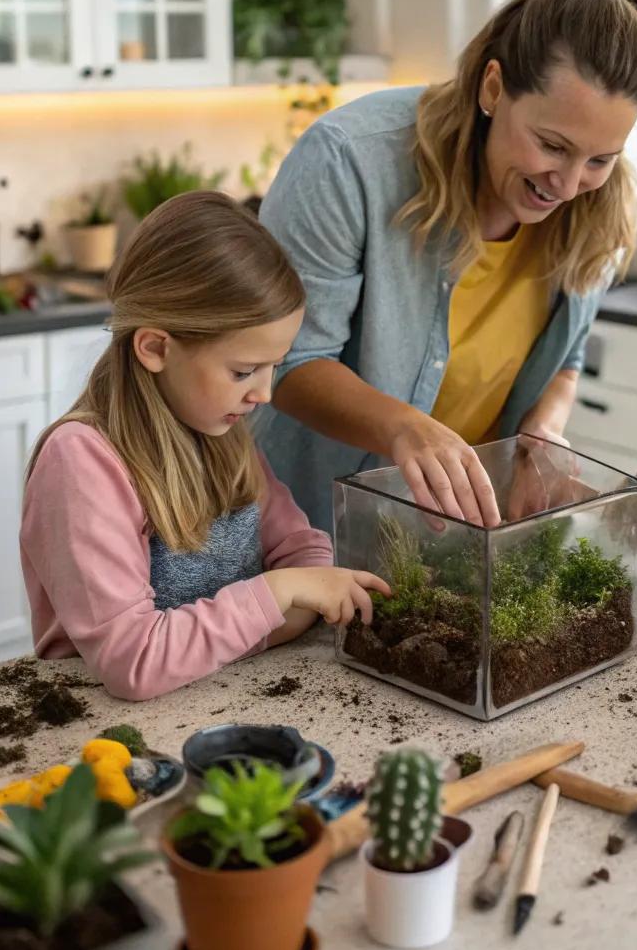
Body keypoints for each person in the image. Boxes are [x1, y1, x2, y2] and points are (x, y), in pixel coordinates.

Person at [255, 0, 637, 532]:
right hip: (302, 530)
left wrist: (540, 437)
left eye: (600, 158)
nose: (568, 186)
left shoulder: (598, 205)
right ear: (493, 87)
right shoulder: (350, 160)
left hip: (448, 542)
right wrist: (406, 428)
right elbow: (286, 363)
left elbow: (563, 362)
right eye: (551, 145)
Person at [21, 192, 389, 700]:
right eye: (242, 371)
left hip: (221, 701)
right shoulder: (83, 462)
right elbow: (135, 663)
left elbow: (300, 550)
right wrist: (280, 595)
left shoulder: (223, 432)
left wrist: (301, 588)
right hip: (107, 739)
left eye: (273, 366)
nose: (263, 393)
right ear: (155, 348)